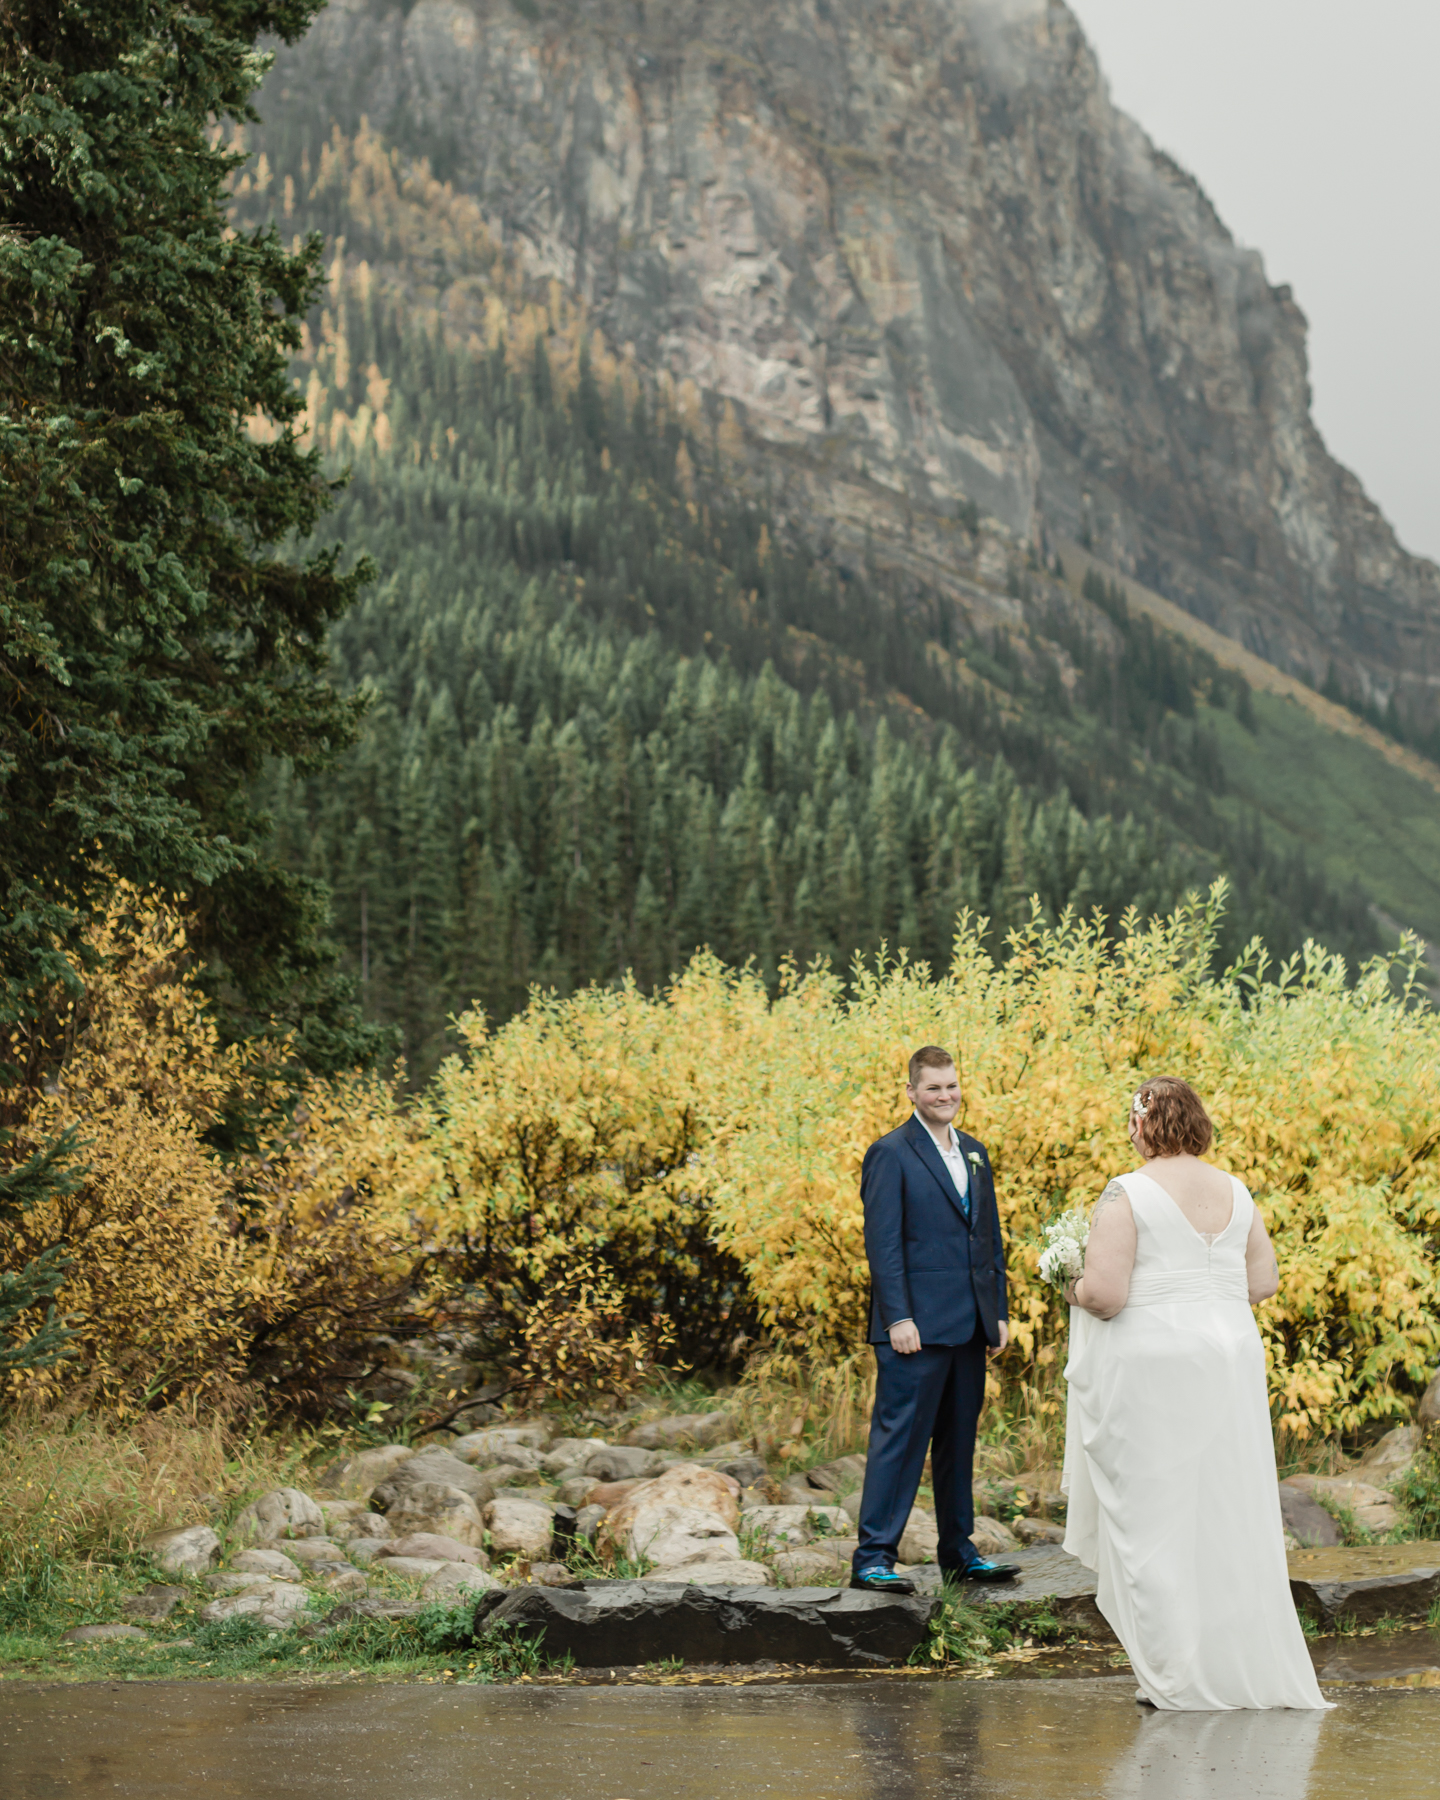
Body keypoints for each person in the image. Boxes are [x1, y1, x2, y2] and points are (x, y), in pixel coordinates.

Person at [1061, 1076, 1330, 1710]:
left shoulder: (1126, 1192)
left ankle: (1177, 1675)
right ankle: (1238, 1664)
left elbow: (1105, 1295)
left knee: (1157, 1517)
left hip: (1155, 1368)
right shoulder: (1237, 1190)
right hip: (1230, 1361)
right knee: (1226, 1510)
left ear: (1143, 1126)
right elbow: (1261, 1281)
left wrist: (1066, 1282)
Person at [851, 1046, 1019, 1593]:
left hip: (970, 1324)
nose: (945, 1096)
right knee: (899, 1441)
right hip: (914, 1329)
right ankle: (874, 1557)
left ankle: (959, 1550)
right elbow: (884, 1244)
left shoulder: (975, 1152)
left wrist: (997, 1314)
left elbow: (987, 1238)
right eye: (933, 1088)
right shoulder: (890, 1153)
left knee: (958, 1441)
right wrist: (897, 1316)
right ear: (911, 1093)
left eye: (951, 1086)